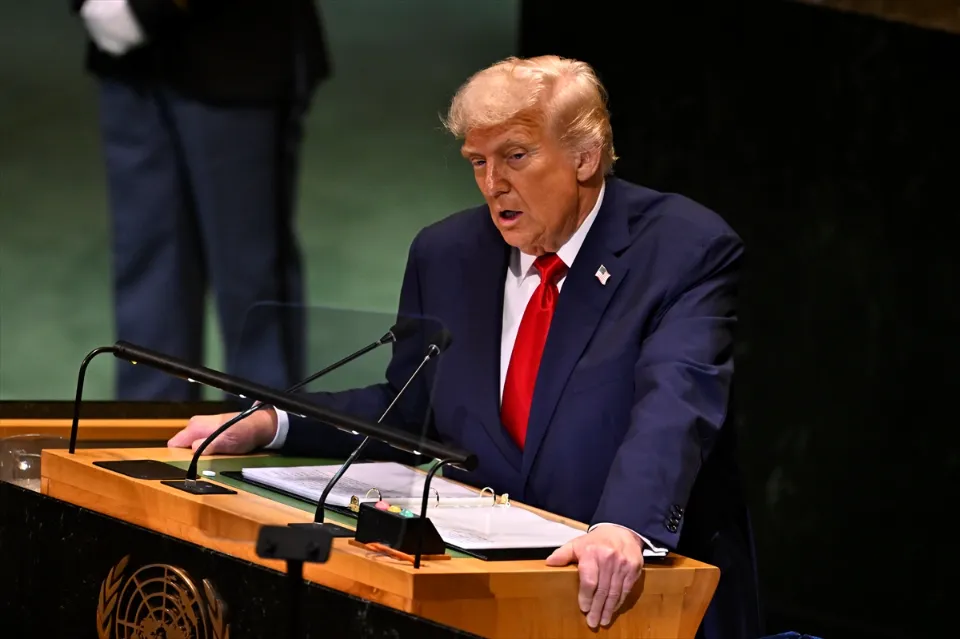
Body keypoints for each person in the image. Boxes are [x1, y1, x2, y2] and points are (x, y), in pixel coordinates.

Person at [168, 55, 761, 638]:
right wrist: (273, 423)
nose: (492, 184)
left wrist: (622, 526)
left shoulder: (680, 249)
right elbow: (412, 407)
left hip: (631, 598)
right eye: (478, 161)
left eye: (516, 156)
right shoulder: (447, 254)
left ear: (585, 156)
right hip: (478, 595)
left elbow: (675, 403)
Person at [72, 0, 330, 399]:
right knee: (146, 261)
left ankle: (261, 423)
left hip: (236, 48)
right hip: (128, 62)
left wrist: (145, 7)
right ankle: (154, 423)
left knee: (249, 273)